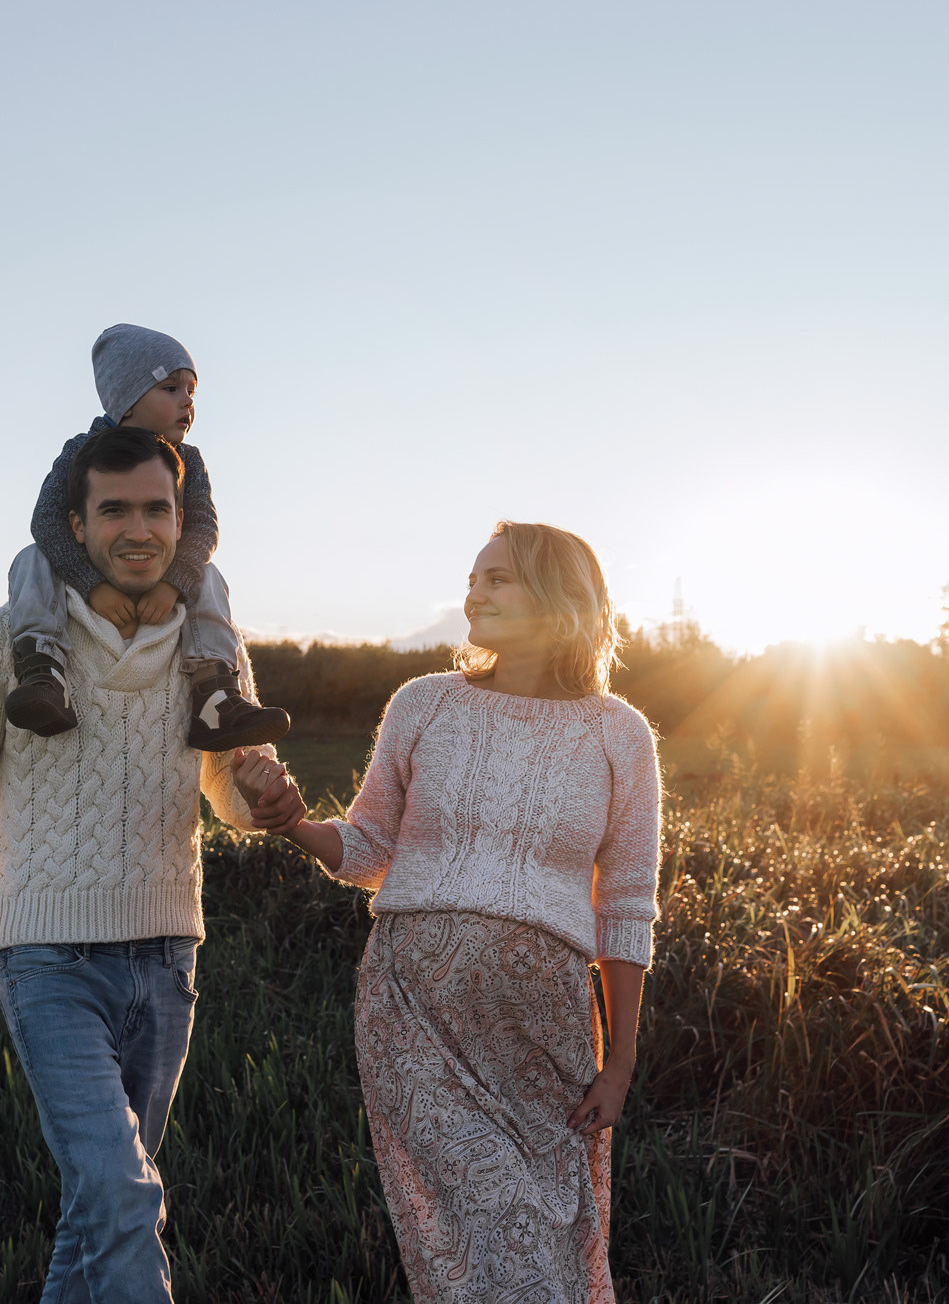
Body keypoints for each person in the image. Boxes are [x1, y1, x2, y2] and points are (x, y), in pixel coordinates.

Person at [0, 425, 275, 1304]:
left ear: (184, 521)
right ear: (76, 524)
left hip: (169, 960)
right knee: (125, 1194)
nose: (140, 529)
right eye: (115, 509)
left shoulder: (210, 643)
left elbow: (230, 793)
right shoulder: (8, 639)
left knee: (97, 1213)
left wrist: (265, 797)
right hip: (45, 959)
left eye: (157, 509)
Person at [230, 521, 663, 1303]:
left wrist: (623, 1059)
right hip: (413, 1013)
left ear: (560, 595)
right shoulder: (423, 704)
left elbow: (627, 908)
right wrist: (292, 819)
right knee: (486, 1233)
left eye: (498, 577)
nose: (475, 592)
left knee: (549, 1237)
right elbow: (367, 847)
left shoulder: (619, 733)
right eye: (473, 578)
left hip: (546, 1035)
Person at [4, 322, 291, 752]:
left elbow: (202, 527)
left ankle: (214, 694)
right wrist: (93, 587)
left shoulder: (187, 461)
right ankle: (44, 671)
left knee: (208, 575)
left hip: (162, 577)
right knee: (32, 557)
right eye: (171, 388)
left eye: (192, 391)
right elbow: (47, 521)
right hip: (87, 574)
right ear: (128, 398)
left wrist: (173, 583)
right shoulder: (81, 452)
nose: (187, 402)